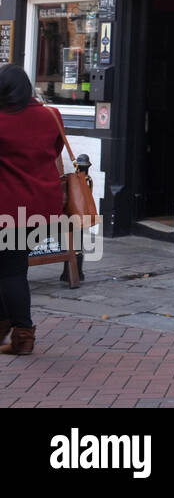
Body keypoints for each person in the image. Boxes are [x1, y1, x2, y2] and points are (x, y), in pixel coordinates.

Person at [0, 64, 66, 356]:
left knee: (12, 272)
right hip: (44, 208)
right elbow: (53, 152)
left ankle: (23, 335)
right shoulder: (52, 116)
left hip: (9, 209)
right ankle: (6, 325)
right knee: (11, 268)